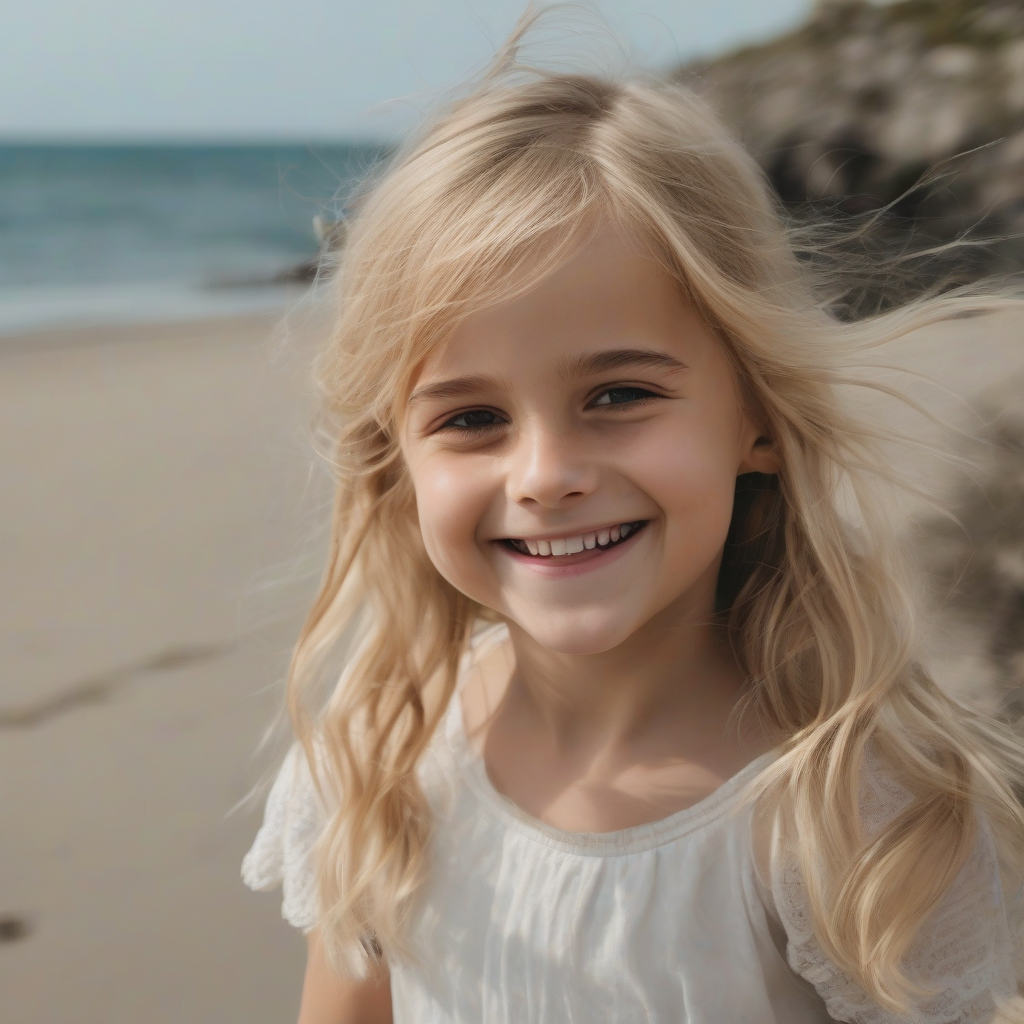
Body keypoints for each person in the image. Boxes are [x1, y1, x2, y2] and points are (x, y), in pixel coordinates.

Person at [241, 18, 1024, 1024]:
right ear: (396, 459)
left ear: (755, 417)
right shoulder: (381, 756)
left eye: (618, 395)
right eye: (472, 418)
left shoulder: (852, 811)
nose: (547, 475)